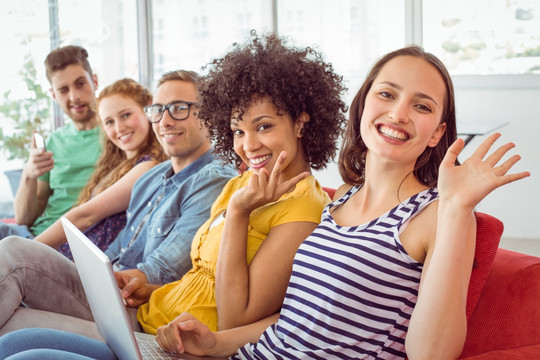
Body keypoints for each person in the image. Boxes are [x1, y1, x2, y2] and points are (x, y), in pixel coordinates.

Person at [0, 46, 526, 360]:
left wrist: (458, 209)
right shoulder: (337, 202)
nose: (399, 112)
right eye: (387, 94)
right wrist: (216, 343)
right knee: (18, 348)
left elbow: (431, 354)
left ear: (437, 133)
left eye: (423, 105)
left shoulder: (434, 214)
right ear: (364, 105)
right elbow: (287, 319)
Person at [117, 31, 347, 336]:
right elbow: (205, 279)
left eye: (263, 126)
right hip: (151, 318)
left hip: (186, 348)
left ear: (301, 124)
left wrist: (239, 213)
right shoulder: (240, 184)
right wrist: (150, 290)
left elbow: (234, 322)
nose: (248, 146)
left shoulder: (304, 208)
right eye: (238, 131)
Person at [0, 70, 237, 338]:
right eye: (158, 110)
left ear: (210, 114)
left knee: (15, 253)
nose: (165, 120)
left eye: (180, 108)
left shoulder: (214, 180)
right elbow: (118, 249)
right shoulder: (151, 178)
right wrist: (95, 271)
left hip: (136, 310)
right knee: (10, 325)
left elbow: (161, 271)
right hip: (112, 291)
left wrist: (99, 278)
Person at [34, 77, 168, 259]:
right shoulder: (118, 164)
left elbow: (86, 216)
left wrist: (27, 250)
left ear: (148, 110)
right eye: (109, 122)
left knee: (10, 245)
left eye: (126, 115)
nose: (119, 127)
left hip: (74, 265)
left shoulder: (147, 166)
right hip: (65, 253)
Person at [0, 45, 102, 239]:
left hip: (64, 242)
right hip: (31, 234)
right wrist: (28, 175)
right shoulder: (55, 141)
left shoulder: (118, 135)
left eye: (80, 84)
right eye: (63, 90)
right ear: (54, 96)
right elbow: (24, 219)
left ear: (94, 81)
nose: (74, 97)